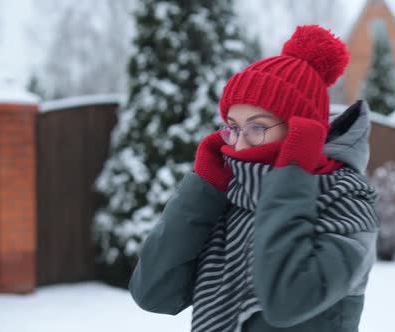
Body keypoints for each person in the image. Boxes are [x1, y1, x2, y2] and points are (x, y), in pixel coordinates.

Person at [129, 24, 379, 332]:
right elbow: (154, 293)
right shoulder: (232, 196)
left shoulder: (347, 203)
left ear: (301, 131)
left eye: (257, 127)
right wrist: (203, 188)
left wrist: (292, 173)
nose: (240, 144)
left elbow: (286, 301)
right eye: (233, 127)